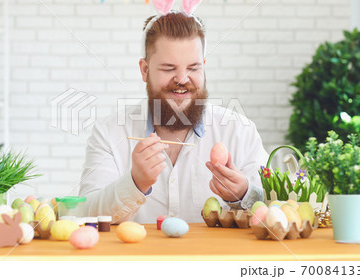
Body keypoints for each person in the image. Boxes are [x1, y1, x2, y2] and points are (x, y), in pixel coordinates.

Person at [78, 12, 268, 224]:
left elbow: (277, 208)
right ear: (144, 70)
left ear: (203, 66)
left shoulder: (240, 131)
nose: (182, 79)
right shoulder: (110, 133)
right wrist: (135, 183)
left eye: (193, 68)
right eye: (169, 68)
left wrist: (243, 194)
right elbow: (86, 213)